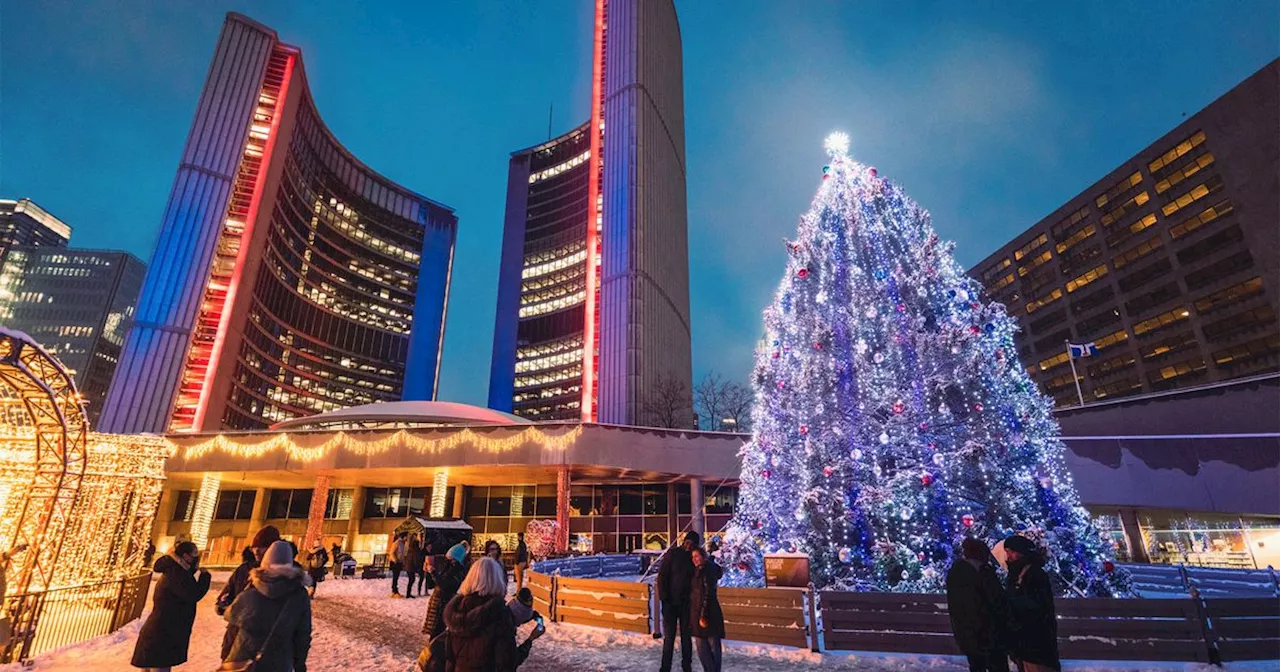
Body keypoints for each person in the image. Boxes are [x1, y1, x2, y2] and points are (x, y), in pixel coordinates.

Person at [223, 540, 313, 672]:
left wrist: (226, 658)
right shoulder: (299, 596)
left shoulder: (251, 589)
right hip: (279, 662)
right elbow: (302, 636)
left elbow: (233, 627)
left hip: (242, 659)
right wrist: (299, 665)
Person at [131, 541, 211, 671]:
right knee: (159, 665)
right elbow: (192, 594)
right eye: (195, 554)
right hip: (164, 633)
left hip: (162, 630)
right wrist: (205, 577)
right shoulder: (177, 573)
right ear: (186, 556)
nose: (197, 558)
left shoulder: (175, 570)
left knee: (154, 665)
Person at [441, 557, 519, 671]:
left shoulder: (458, 609)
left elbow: (450, 656)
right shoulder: (499, 612)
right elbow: (506, 661)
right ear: (497, 579)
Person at [218, 525, 282, 660]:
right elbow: (227, 594)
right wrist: (223, 604)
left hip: (263, 643)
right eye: (254, 546)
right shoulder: (243, 570)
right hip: (235, 637)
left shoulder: (283, 577)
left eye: (263, 546)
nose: (257, 550)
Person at [947, 538, 1010, 672]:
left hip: (970, 635)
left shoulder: (958, 573)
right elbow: (995, 601)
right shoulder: (982, 573)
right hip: (988, 634)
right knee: (996, 665)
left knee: (977, 666)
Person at [1003, 535, 1060, 672]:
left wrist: (1009, 602)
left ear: (1020, 552)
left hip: (1034, 644)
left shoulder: (1034, 574)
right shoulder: (1016, 573)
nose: (1008, 556)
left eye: (1011, 551)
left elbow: (1038, 607)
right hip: (1022, 644)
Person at [657, 531, 700, 672]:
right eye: (688, 542)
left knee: (686, 639)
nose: (689, 546)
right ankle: (665, 668)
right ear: (684, 541)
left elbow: (706, 571)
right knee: (669, 638)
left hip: (687, 605)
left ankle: (687, 667)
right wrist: (664, 599)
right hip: (670, 604)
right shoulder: (673, 554)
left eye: (692, 544)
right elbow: (662, 576)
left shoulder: (695, 558)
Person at [422, 542, 469, 638]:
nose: (448, 560)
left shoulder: (457, 570)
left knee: (437, 631)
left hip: (443, 602)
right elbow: (433, 584)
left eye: (451, 558)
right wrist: (429, 572)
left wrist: (433, 572)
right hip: (438, 601)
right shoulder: (450, 567)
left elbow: (444, 584)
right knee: (434, 630)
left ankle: (434, 651)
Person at [689, 547, 725, 672]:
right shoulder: (699, 570)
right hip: (699, 612)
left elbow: (708, 593)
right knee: (705, 649)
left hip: (706, 614)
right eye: (693, 557)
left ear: (703, 556)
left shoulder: (706, 571)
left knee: (709, 649)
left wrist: (703, 615)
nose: (694, 559)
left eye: (697, 556)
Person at [389, 531, 408, 597]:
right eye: (406, 536)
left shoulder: (403, 543)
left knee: (396, 577)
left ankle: (395, 591)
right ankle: (394, 591)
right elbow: (392, 552)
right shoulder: (397, 543)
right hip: (395, 563)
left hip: (399, 562)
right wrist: (395, 560)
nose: (407, 538)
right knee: (395, 577)